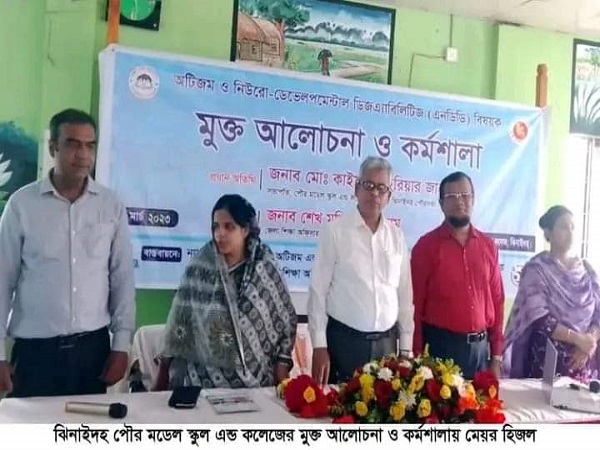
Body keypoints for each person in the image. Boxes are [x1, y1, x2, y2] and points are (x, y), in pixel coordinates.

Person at [0, 108, 135, 398]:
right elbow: (2, 281)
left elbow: (122, 278)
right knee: (29, 427)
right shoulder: (22, 205)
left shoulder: (110, 205)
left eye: (90, 145)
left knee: (87, 425)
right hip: (36, 352)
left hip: (92, 352)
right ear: (53, 147)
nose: (83, 155)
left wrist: (121, 345)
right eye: (73, 144)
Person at [154, 194, 297, 390]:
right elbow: (178, 324)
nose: (220, 234)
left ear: (245, 230)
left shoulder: (264, 267)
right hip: (201, 383)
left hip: (256, 385)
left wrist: (282, 367)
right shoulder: (199, 267)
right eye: (216, 227)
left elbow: (285, 320)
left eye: (229, 227)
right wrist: (162, 376)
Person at [308, 156, 414, 385]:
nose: (374, 193)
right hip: (344, 344)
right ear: (357, 188)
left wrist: (406, 350)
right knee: (341, 406)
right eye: (369, 185)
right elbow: (318, 291)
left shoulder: (396, 236)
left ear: (389, 196)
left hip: (387, 347)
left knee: (385, 407)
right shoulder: (335, 232)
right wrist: (319, 345)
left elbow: (405, 295)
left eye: (381, 188)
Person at [411, 171, 504, 379]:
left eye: (464, 195)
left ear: (473, 199)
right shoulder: (426, 247)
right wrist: (417, 359)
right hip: (440, 351)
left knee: (480, 402)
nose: (459, 201)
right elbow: (414, 306)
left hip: (480, 352)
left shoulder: (488, 246)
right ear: (441, 204)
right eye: (451, 197)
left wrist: (496, 356)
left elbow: (497, 301)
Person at [503, 205, 600, 380]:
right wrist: (578, 339)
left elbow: (598, 315)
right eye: (563, 227)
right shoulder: (536, 270)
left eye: (573, 227)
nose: (570, 232)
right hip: (546, 365)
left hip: (584, 364)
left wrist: (589, 343)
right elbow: (540, 318)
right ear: (548, 233)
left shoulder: (588, 271)